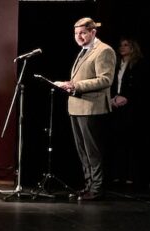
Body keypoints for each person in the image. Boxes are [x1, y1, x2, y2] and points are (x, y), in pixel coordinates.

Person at [56, 17, 116, 201]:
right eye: (76, 33)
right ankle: (89, 186)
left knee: (92, 151)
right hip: (77, 107)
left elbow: (105, 79)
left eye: (83, 32)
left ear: (93, 32)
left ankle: (97, 189)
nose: (79, 36)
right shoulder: (84, 51)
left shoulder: (104, 51)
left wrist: (76, 85)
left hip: (92, 108)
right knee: (83, 151)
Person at [110, 37, 146, 187]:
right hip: (116, 105)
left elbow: (140, 85)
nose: (122, 47)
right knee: (117, 140)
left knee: (131, 141)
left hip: (132, 107)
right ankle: (118, 174)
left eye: (126, 45)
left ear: (133, 47)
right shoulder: (117, 64)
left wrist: (127, 98)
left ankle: (132, 175)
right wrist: (112, 98)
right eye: (121, 45)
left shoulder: (139, 64)